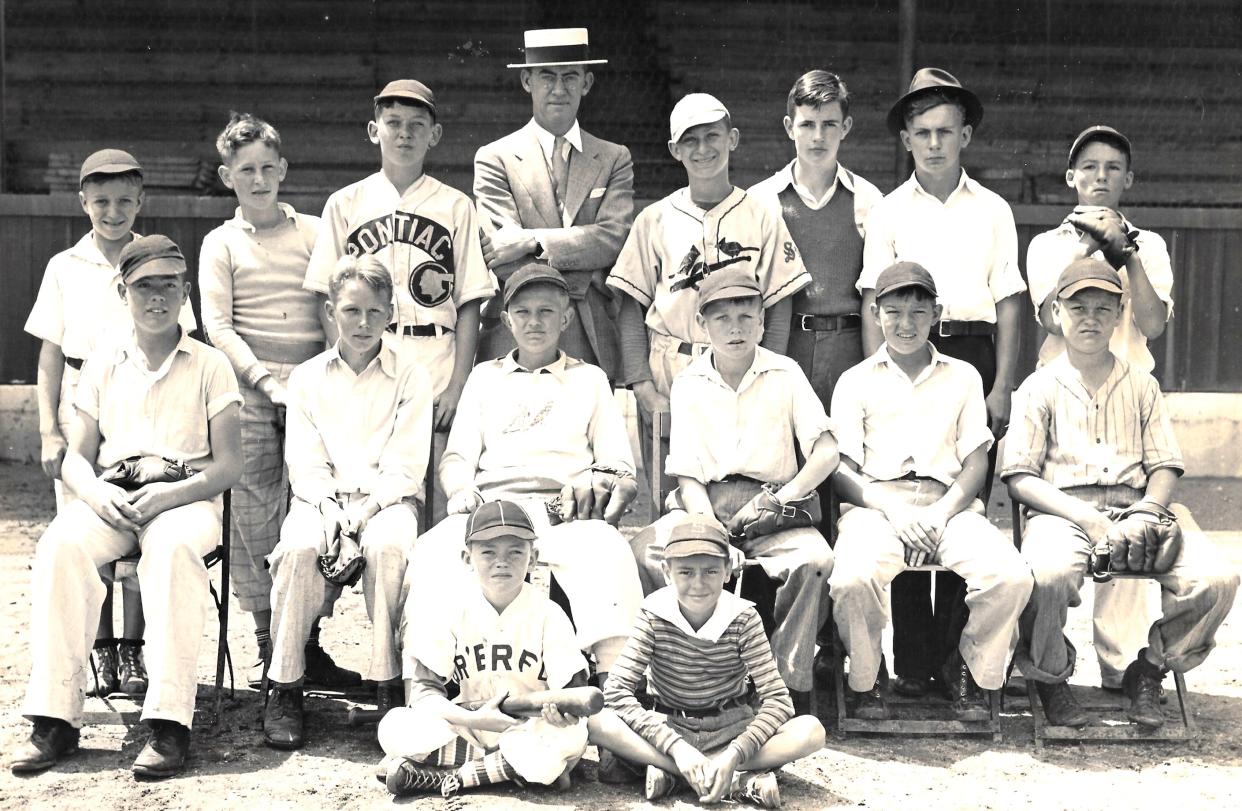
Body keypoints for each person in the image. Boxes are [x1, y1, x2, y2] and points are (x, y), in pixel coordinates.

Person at [12, 235, 242, 778]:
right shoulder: (102, 362)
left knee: (170, 550)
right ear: (123, 291)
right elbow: (75, 457)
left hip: (184, 497)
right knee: (60, 545)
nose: (157, 297)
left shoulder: (211, 365)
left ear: (186, 293)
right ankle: (55, 719)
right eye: (144, 286)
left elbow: (229, 465)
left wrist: (169, 494)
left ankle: (168, 723)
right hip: (114, 495)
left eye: (169, 285)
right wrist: (96, 493)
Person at [1003, 258, 1238, 728]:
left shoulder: (1142, 384)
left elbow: (1165, 464)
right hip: (1065, 511)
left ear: (1119, 315)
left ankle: (1148, 670)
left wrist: (1149, 510)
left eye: (1102, 308)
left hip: (1139, 505)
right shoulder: (1038, 387)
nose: (1089, 318)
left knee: (1216, 580)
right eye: (1078, 307)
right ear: (1056, 312)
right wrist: (1088, 520)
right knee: (1046, 577)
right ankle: (1051, 678)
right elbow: (1020, 477)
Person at [858, 68, 1026, 697]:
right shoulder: (888, 210)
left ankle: (956, 657)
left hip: (972, 355)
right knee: (904, 489)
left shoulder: (993, 209)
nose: (934, 143)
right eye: (922, 132)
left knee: (962, 503)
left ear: (966, 136)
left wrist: (1002, 383)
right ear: (906, 138)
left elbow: (1009, 299)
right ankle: (912, 663)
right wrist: (878, 375)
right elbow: (875, 297)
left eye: (945, 132)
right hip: (902, 348)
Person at [402, 263, 642, 691]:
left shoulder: (589, 380)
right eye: (524, 312)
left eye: (547, 312)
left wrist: (596, 483)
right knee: (432, 551)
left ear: (565, 319)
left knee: (609, 552)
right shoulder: (483, 378)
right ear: (508, 320)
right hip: (493, 507)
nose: (535, 322)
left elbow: (619, 466)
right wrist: (461, 490)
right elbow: (456, 458)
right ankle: (424, 690)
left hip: (563, 509)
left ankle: (615, 691)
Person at [22, 151, 198, 700]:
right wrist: (50, 429)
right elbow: (51, 355)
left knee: (142, 519)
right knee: (87, 525)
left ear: (140, 202)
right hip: (84, 399)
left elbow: (181, 338)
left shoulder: (156, 264)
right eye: (101, 202)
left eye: (125, 202)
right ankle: (100, 647)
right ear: (83, 203)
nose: (113, 212)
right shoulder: (64, 266)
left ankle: (135, 647)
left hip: (140, 404)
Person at [828, 262, 1032, 721]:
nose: (905, 324)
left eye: (918, 313)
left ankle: (967, 669)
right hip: (877, 506)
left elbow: (977, 462)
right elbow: (843, 469)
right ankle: (867, 677)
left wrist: (939, 513)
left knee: (1011, 576)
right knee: (851, 578)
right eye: (894, 312)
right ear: (876, 314)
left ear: (936, 313)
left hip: (949, 505)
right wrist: (895, 513)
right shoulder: (855, 380)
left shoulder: (963, 377)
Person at [628, 268, 837, 714]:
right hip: (705, 504)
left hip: (774, 505)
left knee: (816, 562)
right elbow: (687, 476)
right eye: (721, 318)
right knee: (647, 550)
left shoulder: (786, 373)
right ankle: (683, 672)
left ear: (763, 321)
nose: (736, 328)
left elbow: (826, 453)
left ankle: (779, 684)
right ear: (702, 326)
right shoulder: (689, 383)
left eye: (746, 315)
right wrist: (710, 535)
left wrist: (781, 498)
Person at [199, 112, 358, 691]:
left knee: (317, 511)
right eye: (246, 171)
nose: (259, 179)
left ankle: (307, 643)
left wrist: (322, 382)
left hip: (314, 387)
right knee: (254, 512)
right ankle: (271, 643)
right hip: (248, 391)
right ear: (227, 176)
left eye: (268, 167)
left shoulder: (315, 232)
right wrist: (267, 383)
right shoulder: (220, 244)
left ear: (283, 169)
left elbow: (329, 308)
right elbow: (218, 326)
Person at [1025, 125, 1174, 693]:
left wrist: (1127, 249)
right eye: (1089, 168)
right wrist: (1091, 244)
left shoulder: (1152, 244)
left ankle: (1124, 665)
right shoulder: (1047, 244)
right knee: (1064, 528)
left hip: (1128, 392)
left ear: (1128, 179)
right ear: (1071, 178)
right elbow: (1046, 317)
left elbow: (1155, 324)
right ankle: (1049, 665)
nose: (1100, 178)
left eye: (1113, 169)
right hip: (1063, 392)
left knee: (1130, 519)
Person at [261, 256, 432, 749]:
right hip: (321, 502)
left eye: (375, 312)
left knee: (387, 550)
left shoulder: (410, 375)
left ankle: (387, 686)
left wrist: (364, 512)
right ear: (332, 311)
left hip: (386, 503)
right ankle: (286, 685)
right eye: (352, 310)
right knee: (297, 550)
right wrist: (332, 510)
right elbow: (305, 463)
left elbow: (405, 465)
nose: (363, 323)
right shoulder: (308, 378)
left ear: (390, 313)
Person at [304, 79, 494, 519]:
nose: (404, 134)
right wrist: (349, 363)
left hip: (435, 354)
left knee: (441, 490)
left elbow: (470, 301)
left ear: (435, 134)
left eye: (416, 125)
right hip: (369, 354)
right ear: (375, 131)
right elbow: (324, 295)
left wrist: (458, 384)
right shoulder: (345, 203)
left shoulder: (455, 206)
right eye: (393, 123)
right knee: (378, 487)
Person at [608, 92, 811, 494]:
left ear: (732, 138)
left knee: (743, 486)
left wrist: (767, 372)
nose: (703, 149)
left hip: (744, 366)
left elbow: (779, 304)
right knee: (674, 500)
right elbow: (631, 307)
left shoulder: (760, 215)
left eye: (712, 136)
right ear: (674, 150)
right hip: (673, 361)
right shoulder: (655, 219)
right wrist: (644, 388)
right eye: (690, 140)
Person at [591, 514, 825, 808]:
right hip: (670, 726)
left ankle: (690, 774)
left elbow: (779, 700)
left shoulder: (742, 617)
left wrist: (735, 753)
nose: (698, 584)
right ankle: (728, 778)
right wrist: (678, 749)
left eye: (711, 571)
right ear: (666, 571)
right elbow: (616, 691)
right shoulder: (653, 613)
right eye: (686, 572)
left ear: (727, 570)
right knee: (597, 721)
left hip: (730, 728)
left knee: (811, 731)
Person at [381, 500, 592, 799]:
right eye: (488, 552)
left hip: (529, 729)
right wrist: (474, 720)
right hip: (469, 727)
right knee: (394, 726)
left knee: (568, 738)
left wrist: (565, 716)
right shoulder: (449, 609)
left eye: (515, 552)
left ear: (533, 559)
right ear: (467, 558)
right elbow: (424, 694)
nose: (501, 562)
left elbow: (573, 696)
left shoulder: (550, 613)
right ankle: (503, 770)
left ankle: (454, 776)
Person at [474, 27, 633, 381]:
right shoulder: (494, 157)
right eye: (547, 76)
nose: (559, 89)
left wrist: (533, 241)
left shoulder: (613, 158)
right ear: (527, 81)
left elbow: (613, 239)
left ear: (587, 82)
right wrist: (581, 274)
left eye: (570, 76)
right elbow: (501, 255)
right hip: (514, 334)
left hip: (591, 335)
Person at [748, 69, 882, 407]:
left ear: (846, 128)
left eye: (829, 125)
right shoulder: (762, 199)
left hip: (848, 347)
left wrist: (875, 370)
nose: (818, 137)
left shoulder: (868, 199)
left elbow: (874, 298)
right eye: (807, 124)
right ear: (789, 127)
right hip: (783, 344)